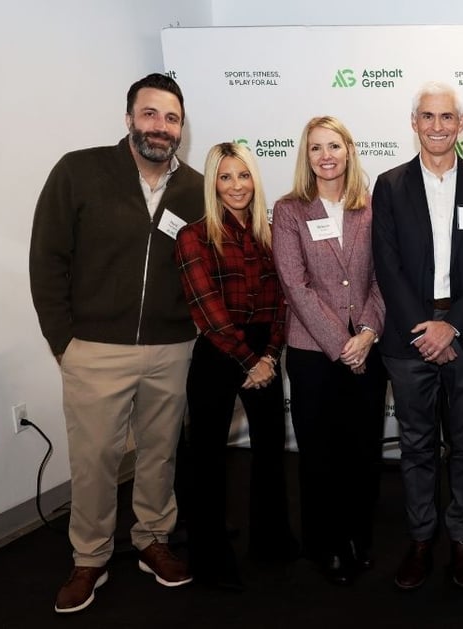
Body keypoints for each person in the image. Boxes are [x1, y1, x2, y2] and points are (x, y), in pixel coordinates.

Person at [30, 73, 203, 613]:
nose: (161, 126)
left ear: (181, 128)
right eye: (150, 114)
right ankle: (90, 557)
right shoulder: (79, 171)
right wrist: (64, 342)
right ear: (129, 118)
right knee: (95, 458)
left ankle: (152, 538)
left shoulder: (196, 187)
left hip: (171, 348)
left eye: (171, 118)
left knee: (159, 454)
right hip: (94, 348)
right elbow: (47, 257)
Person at [371, 82, 463, 591]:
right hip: (409, 336)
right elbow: (387, 263)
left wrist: (452, 325)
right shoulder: (389, 184)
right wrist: (424, 328)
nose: (437, 126)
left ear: (461, 124)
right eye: (427, 117)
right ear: (413, 123)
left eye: (447, 117)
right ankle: (423, 538)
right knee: (418, 443)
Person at [174, 142, 297, 589]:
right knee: (206, 457)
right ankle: (208, 556)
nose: (236, 185)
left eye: (243, 175)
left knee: (268, 451)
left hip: (265, 349)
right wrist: (251, 360)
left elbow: (286, 300)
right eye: (225, 177)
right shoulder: (194, 235)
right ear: (213, 183)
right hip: (218, 350)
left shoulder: (270, 232)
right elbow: (207, 310)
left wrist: (271, 355)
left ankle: (271, 541)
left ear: (254, 180)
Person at [272, 116, 388, 586]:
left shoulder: (370, 209)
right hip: (313, 353)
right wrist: (343, 346)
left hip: (366, 348)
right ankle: (325, 543)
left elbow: (382, 281)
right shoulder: (289, 211)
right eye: (316, 147)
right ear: (307, 156)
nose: (326, 155)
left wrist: (368, 334)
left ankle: (359, 536)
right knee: (320, 452)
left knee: (362, 450)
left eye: (334, 146)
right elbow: (295, 286)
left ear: (348, 151)